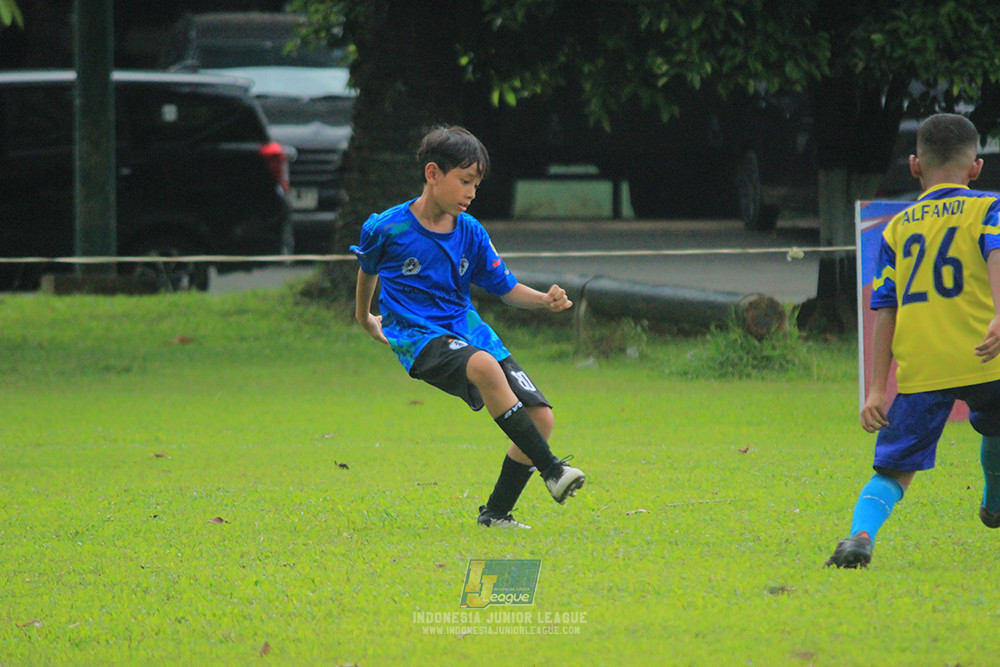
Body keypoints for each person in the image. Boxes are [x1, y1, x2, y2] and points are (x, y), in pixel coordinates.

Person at [351, 125, 585, 529]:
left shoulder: (471, 231)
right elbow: (366, 272)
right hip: (417, 336)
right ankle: (552, 471)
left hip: (468, 330)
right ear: (432, 174)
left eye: (476, 184)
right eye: (464, 181)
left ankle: (495, 515)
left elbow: (505, 288)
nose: (472, 192)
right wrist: (365, 317)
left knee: (541, 419)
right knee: (483, 367)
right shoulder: (386, 228)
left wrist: (544, 301)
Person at [826, 113, 1000, 568]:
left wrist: (879, 388)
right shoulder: (990, 208)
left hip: (923, 369)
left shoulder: (896, 229)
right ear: (976, 168)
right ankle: (995, 500)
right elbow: (997, 254)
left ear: (914, 166)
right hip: (988, 356)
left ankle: (860, 536)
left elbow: (885, 308)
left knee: (892, 471)